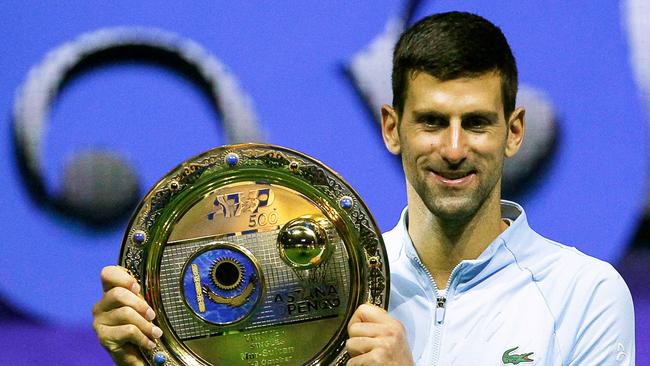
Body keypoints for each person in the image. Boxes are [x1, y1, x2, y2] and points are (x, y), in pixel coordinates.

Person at [93, 11, 635, 366]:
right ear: (391, 128)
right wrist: (146, 357)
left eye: (475, 123)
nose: (452, 148)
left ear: (513, 132)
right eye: (430, 122)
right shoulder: (324, 283)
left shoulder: (585, 294)